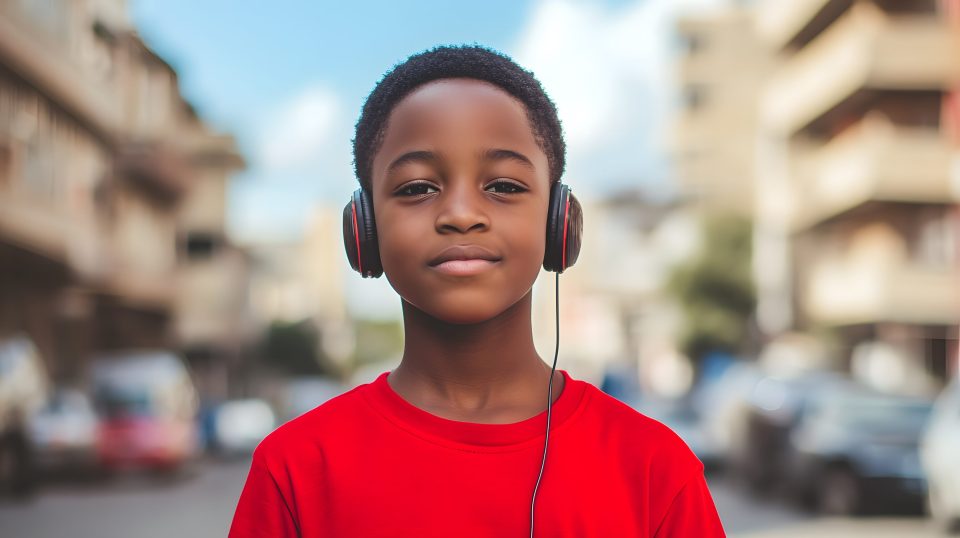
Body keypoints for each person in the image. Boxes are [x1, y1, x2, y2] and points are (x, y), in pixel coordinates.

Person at [229, 44, 725, 537]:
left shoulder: (655, 471)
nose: (462, 214)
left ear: (559, 224)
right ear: (364, 229)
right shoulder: (293, 470)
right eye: (417, 187)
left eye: (504, 186)